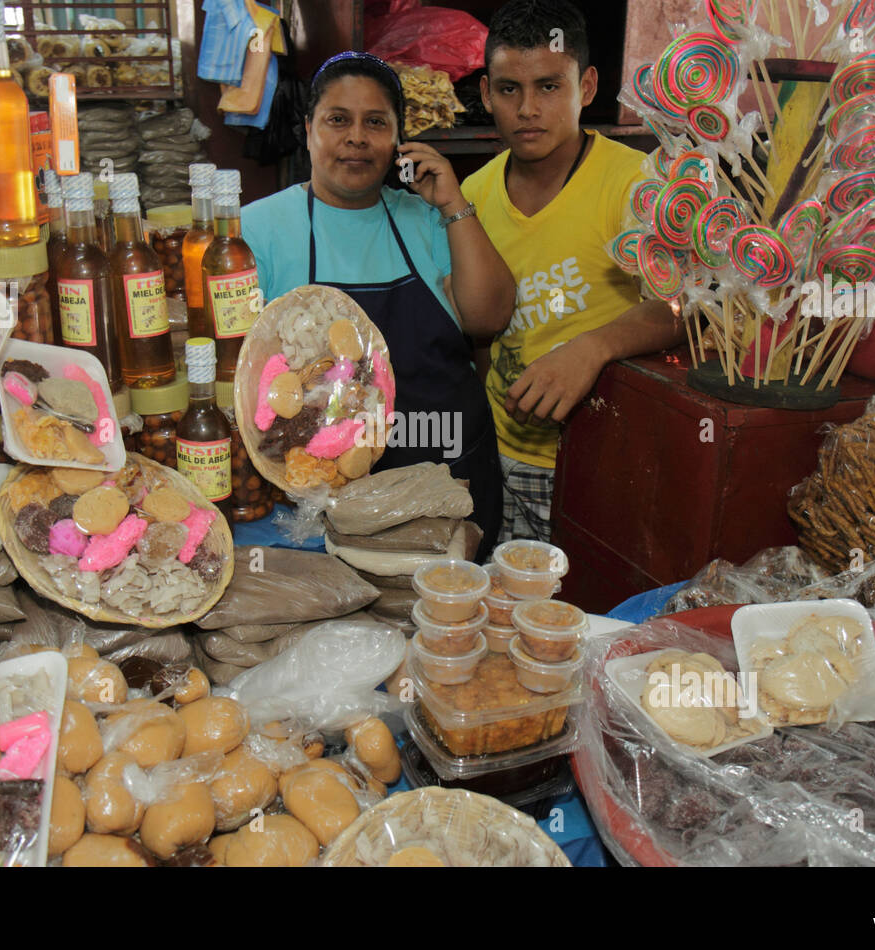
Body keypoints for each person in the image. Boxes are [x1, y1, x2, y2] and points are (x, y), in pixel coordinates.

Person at [243, 52, 515, 558]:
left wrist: (454, 202)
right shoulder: (258, 229)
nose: (356, 137)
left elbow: (489, 316)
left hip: (444, 480)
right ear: (308, 130)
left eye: (376, 123)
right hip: (322, 491)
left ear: (398, 139)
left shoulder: (429, 219)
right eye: (337, 120)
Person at [461, 0, 683, 543]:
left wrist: (592, 347)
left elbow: (687, 309)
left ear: (585, 87)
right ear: (487, 94)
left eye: (549, 86)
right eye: (509, 89)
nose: (528, 108)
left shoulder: (638, 185)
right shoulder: (472, 196)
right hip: (495, 453)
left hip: (596, 459)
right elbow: (479, 333)